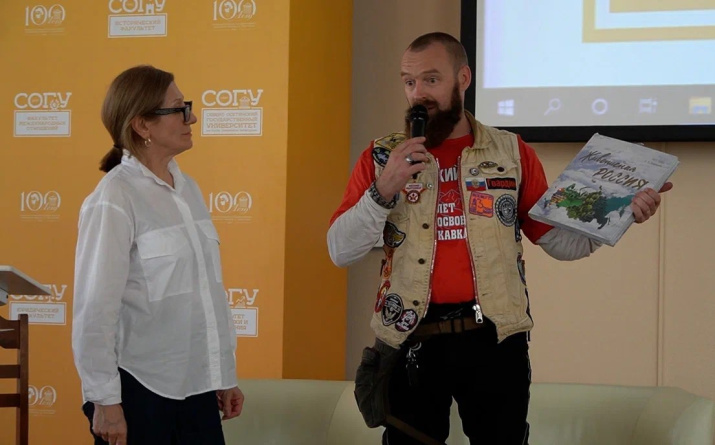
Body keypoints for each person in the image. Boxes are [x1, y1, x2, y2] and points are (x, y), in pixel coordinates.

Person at [327, 32, 672, 445]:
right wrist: (383, 189)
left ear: (463, 78)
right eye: (409, 82)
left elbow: (561, 244)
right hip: (409, 338)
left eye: (431, 80)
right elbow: (340, 250)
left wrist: (619, 213)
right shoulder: (381, 157)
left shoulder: (511, 152)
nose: (418, 94)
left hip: (494, 338)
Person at [72, 65, 244, 445]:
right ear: (142, 125)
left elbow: (207, 295)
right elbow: (95, 308)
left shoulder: (188, 189)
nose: (191, 118)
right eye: (179, 109)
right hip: (139, 391)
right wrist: (105, 400)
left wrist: (223, 375)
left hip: (197, 390)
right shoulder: (115, 197)